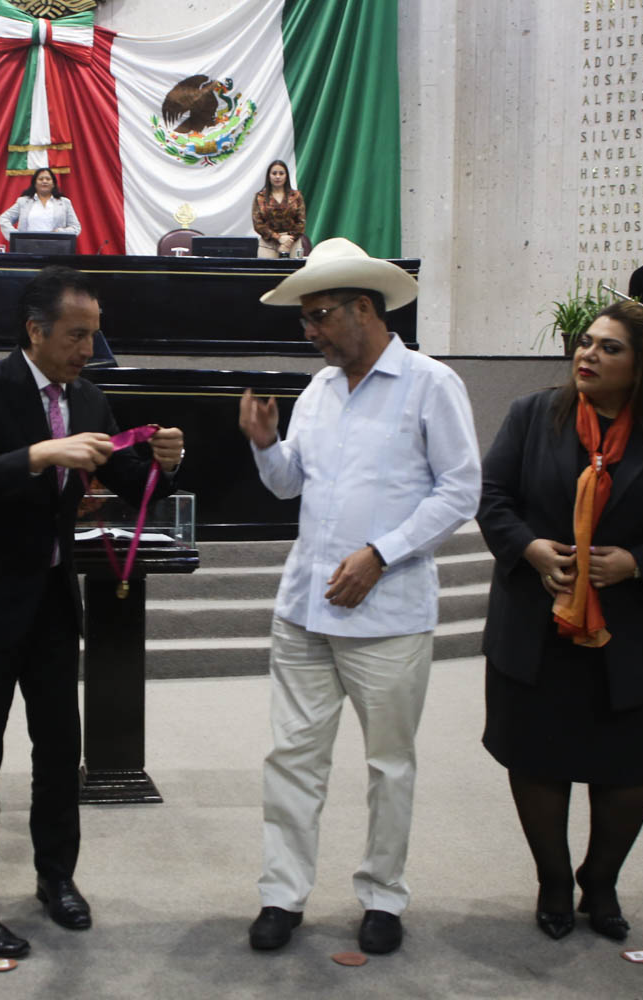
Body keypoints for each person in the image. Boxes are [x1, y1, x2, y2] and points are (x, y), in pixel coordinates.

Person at [0, 265, 184, 958]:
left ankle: (56, 877)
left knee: (58, 753)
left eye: (94, 336)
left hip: (48, 600)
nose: (87, 350)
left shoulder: (91, 401)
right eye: (76, 336)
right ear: (35, 330)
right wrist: (43, 453)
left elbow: (132, 481)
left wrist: (166, 460)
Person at [237, 237, 482, 955]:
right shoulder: (317, 391)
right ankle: (281, 895)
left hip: (390, 616)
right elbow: (290, 485)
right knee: (293, 758)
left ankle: (382, 895)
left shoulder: (431, 383)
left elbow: (461, 489)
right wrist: (264, 444)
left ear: (364, 309)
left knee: (388, 764)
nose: (308, 331)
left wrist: (382, 555)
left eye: (318, 317)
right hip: (305, 610)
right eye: (305, 318)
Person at [476, 299, 643, 943]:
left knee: (628, 769)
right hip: (538, 629)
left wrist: (638, 564)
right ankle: (554, 881)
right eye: (586, 342)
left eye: (609, 347)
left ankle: (602, 880)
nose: (587, 354)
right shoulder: (533, 417)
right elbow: (493, 498)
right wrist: (530, 549)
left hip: (630, 636)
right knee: (538, 762)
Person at [0, 167, 81, 245]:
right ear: (34, 183)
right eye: (40, 179)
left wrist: (60, 232)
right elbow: (4, 218)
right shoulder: (23, 202)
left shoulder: (64, 202)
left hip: (56, 248)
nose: (44, 181)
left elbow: (75, 228)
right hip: (27, 248)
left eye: (48, 179)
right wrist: (16, 237)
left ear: (53, 184)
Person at [250, 159, 306, 259]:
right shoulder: (260, 197)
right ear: (269, 176)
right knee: (268, 273)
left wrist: (288, 240)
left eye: (281, 173)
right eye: (274, 173)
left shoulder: (296, 196)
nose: (277, 176)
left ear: (286, 176)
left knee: (295, 273)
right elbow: (258, 224)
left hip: (292, 242)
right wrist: (278, 238)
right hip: (268, 244)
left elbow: (301, 222)